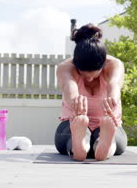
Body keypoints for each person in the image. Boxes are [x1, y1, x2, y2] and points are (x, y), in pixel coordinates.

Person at [54, 23, 127, 161]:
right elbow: (70, 87)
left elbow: (114, 85)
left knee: (111, 134)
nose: (89, 79)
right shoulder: (66, 67)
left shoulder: (114, 65)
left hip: (106, 121)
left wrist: (112, 101)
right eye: (84, 75)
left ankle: (102, 145)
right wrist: (77, 107)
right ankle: (79, 143)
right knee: (77, 129)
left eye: (94, 75)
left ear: (104, 65)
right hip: (72, 123)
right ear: (76, 65)